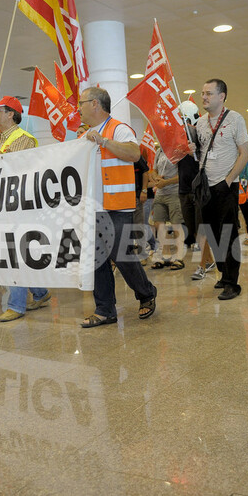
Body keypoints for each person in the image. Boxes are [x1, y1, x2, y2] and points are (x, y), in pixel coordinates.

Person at [77, 86, 157, 327]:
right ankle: (105, 309)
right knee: (97, 259)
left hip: (118, 206)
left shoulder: (118, 129)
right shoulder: (83, 137)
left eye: (81, 103)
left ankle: (146, 293)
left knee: (121, 255)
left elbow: (134, 154)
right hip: (93, 207)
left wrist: (103, 141)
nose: (78, 108)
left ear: (95, 104)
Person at [0, 96, 51, 322]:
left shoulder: (23, 138)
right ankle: (40, 292)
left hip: (19, 206)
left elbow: (15, 168)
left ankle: (16, 305)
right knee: (15, 252)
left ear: (11, 114)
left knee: (13, 253)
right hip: (2, 205)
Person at [193, 78, 248, 300]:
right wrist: (191, 149)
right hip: (205, 187)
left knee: (228, 233)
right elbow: (200, 153)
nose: (204, 97)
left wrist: (228, 180)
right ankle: (224, 275)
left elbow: (244, 153)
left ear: (222, 96)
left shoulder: (235, 119)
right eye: (203, 93)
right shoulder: (200, 123)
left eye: (208, 93)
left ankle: (232, 283)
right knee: (212, 232)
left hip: (226, 185)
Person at [178, 101, 216, 281]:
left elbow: (211, 156)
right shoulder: (178, 137)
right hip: (183, 188)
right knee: (193, 230)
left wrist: (196, 152)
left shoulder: (202, 135)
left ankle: (202, 265)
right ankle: (209, 261)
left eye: (184, 119)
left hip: (199, 188)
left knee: (202, 230)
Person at [148, 141, 185, 270]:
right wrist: (156, 178)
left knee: (176, 225)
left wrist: (167, 182)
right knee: (159, 224)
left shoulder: (178, 151)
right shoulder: (159, 151)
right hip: (160, 193)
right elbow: (154, 170)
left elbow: (183, 175)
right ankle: (166, 256)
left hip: (174, 192)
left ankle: (179, 257)